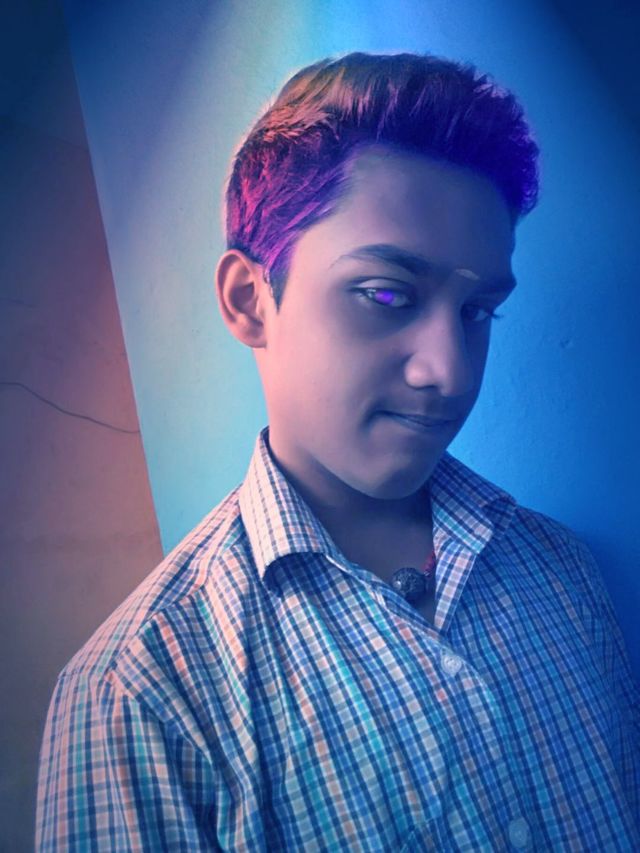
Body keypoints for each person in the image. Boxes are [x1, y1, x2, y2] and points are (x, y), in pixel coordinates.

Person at [36, 52, 639, 851]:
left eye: (478, 310)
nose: (449, 371)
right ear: (251, 301)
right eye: (386, 293)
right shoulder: (140, 694)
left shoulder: (561, 572)